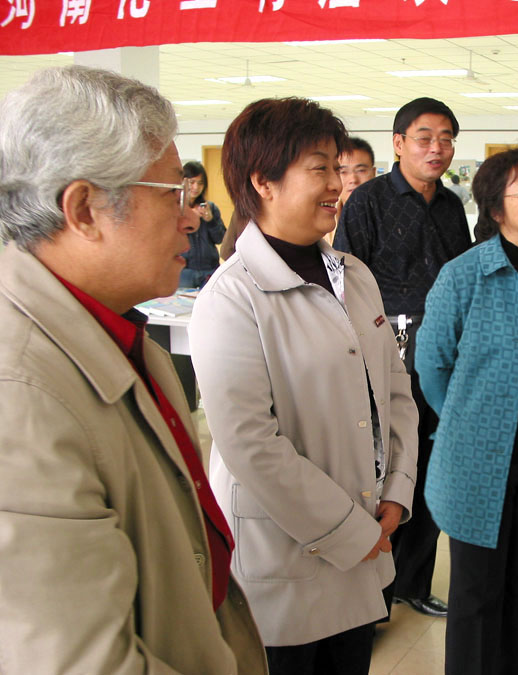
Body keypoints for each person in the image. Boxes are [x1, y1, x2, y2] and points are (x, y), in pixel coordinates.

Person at [0, 65, 266, 673]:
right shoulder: (19, 393)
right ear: (85, 209)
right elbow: (81, 660)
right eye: (173, 194)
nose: (192, 217)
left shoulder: (122, 336)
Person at [188, 96, 418, 675]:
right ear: (262, 181)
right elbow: (250, 444)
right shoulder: (231, 297)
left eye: (338, 168)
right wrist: (350, 532)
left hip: (368, 540)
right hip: (287, 560)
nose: (338, 184)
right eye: (320, 168)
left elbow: (395, 390)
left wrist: (397, 489)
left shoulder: (354, 275)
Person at [416, 147, 518, 675]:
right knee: (475, 590)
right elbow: (431, 364)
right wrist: (467, 422)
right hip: (476, 462)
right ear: (495, 209)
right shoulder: (464, 276)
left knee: (517, 582)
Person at [334, 97, 471, 618]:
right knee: (388, 469)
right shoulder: (368, 201)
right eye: (424, 138)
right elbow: (345, 281)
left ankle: (414, 583)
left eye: (446, 139)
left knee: (434, 467)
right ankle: (374, 593)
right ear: (398, 144)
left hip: (443, 357)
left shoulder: (452, 206)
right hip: (386, 354)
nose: (437, 148)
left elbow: (461, 278)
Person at [181, 160, 226, 287]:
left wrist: (210, 221)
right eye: (192, 182)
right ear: (183, 182)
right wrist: (189, 217)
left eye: (200, 183)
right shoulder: (174, 209)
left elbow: (221, 239)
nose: (196, 187)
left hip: (210, 270)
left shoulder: (210, 208)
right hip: (185, 271)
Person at [331, 136, 377, 242]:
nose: (353, 179)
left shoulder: (389, 215)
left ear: (374, 173)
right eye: (343, 172)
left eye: (361, 170)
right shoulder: (323, 223)